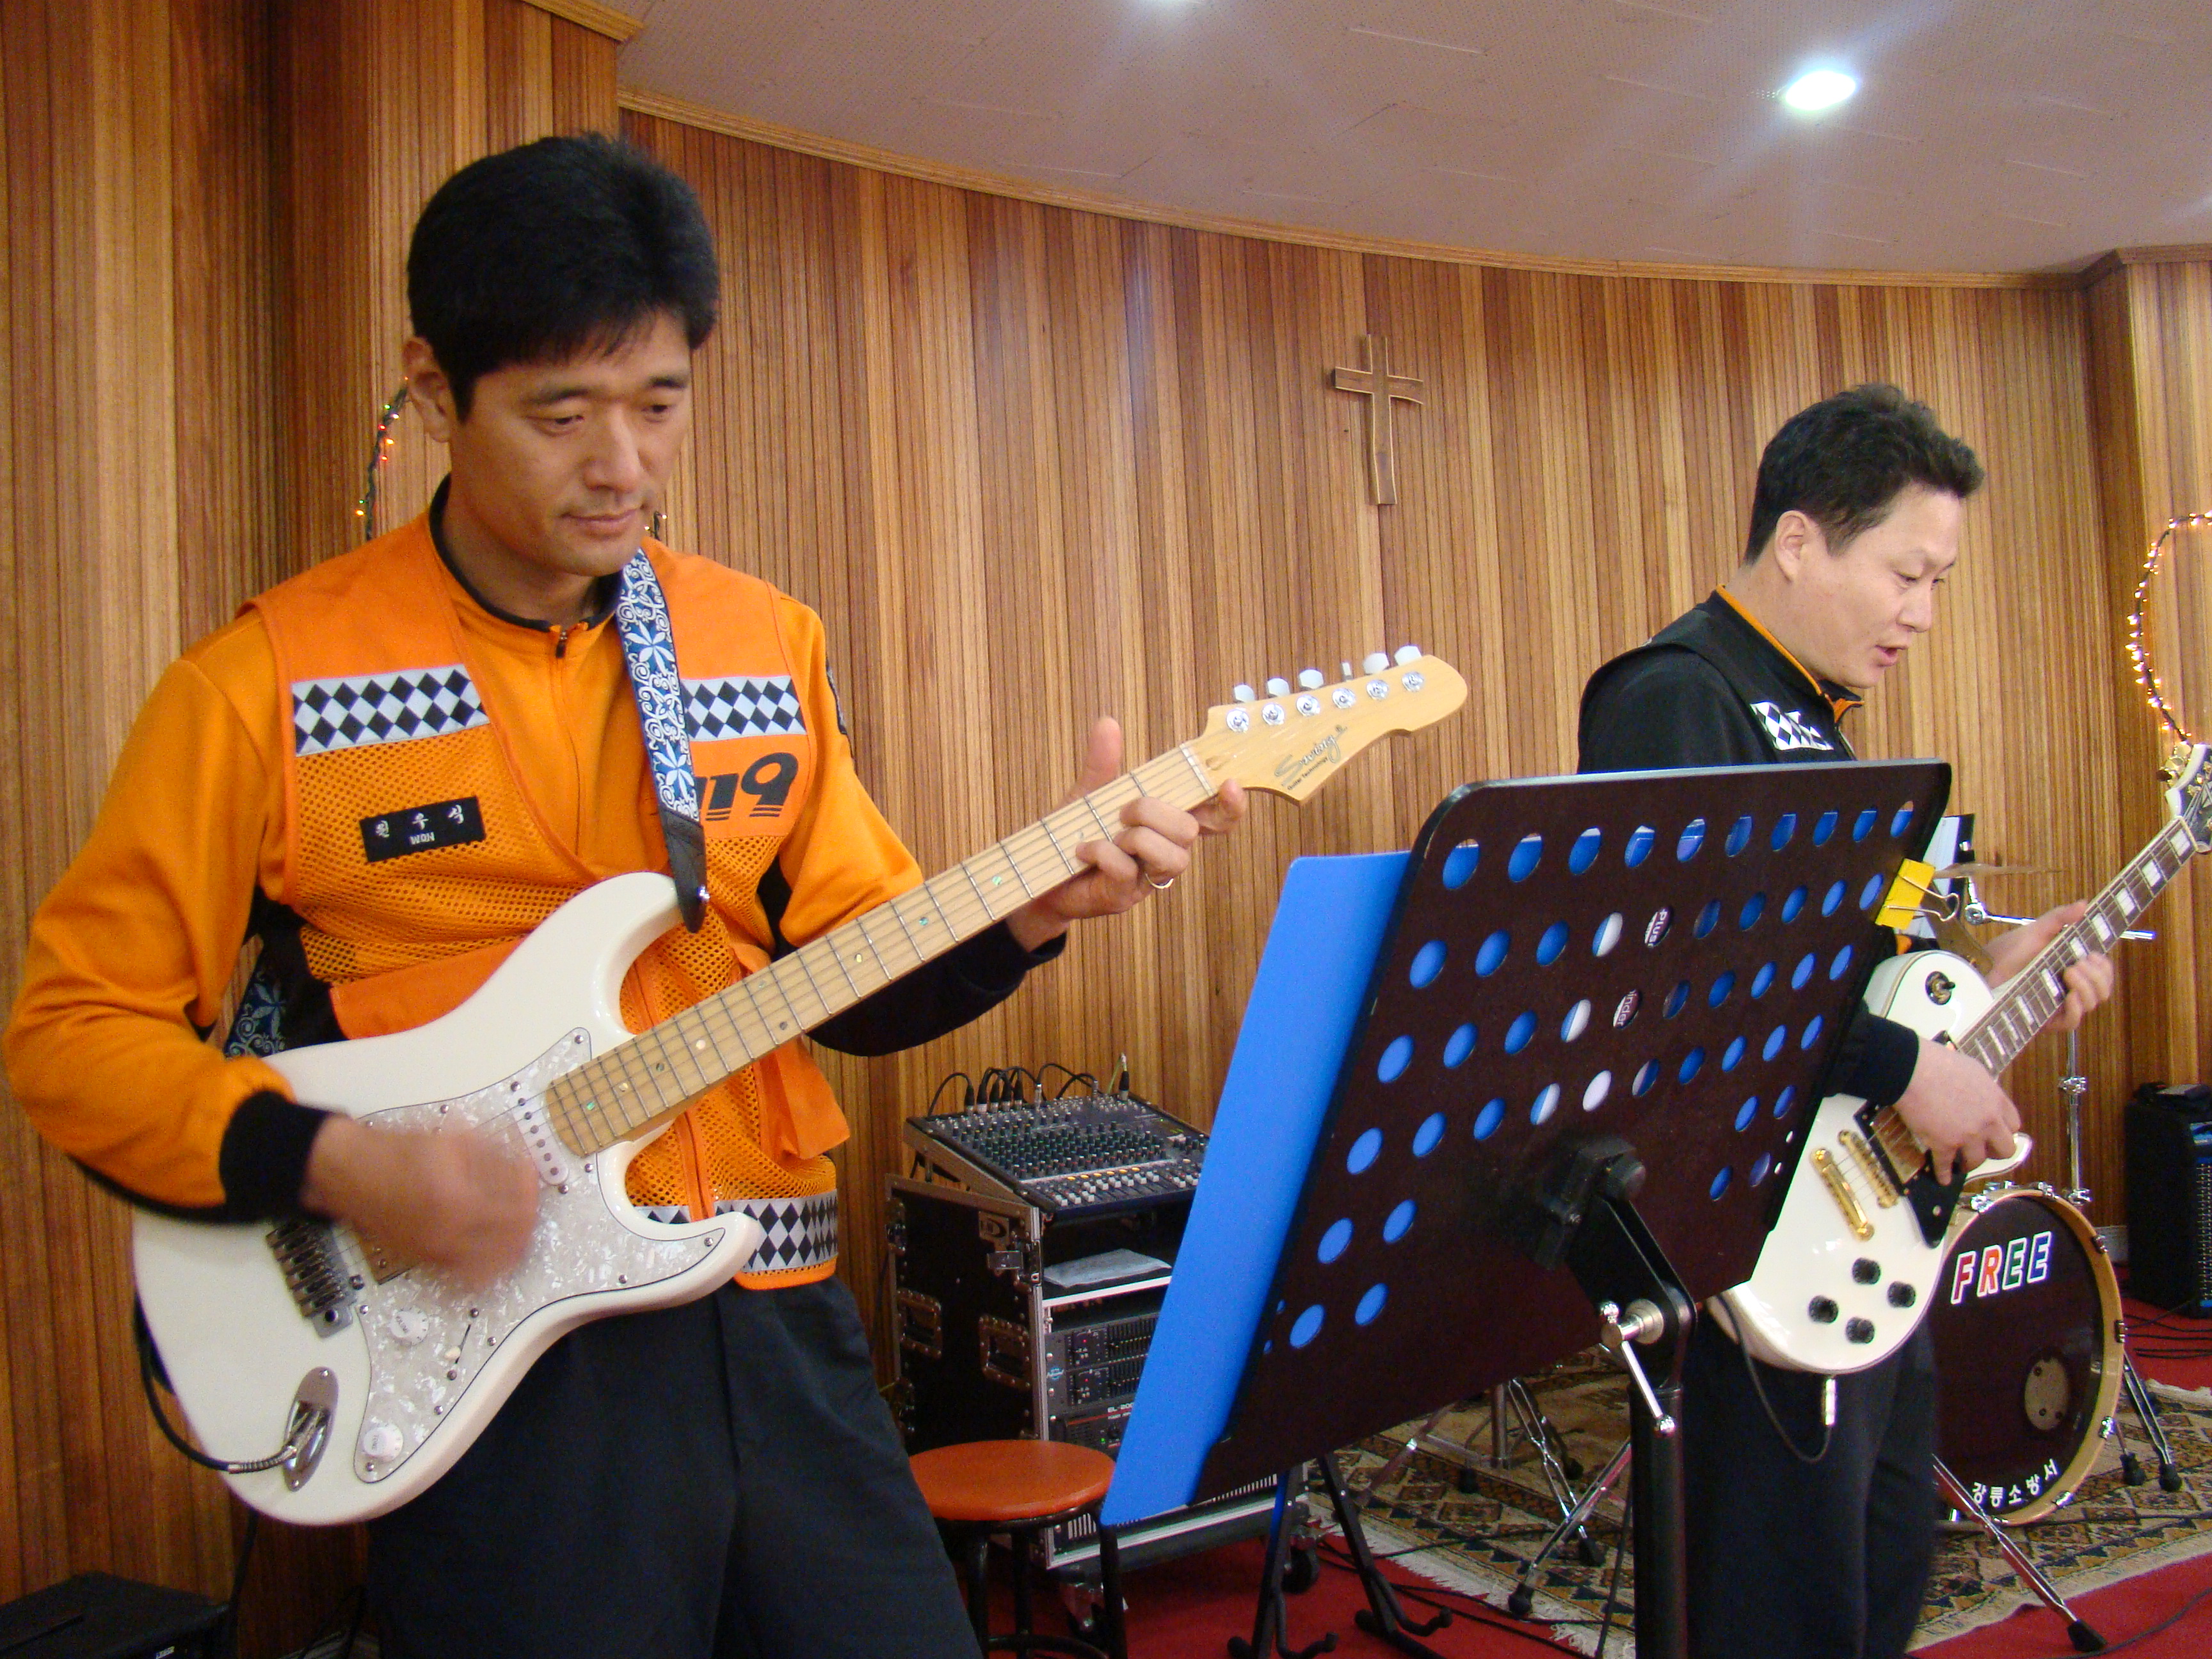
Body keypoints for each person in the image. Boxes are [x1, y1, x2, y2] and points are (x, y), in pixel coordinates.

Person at [4, 134, 1244, 1658]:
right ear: (436, 388)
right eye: (561, 413)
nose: (623, 466)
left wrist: (1040, 909)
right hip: (493, 1362)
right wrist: (340, 1165)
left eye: (660, 403)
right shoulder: (265, 682)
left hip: (776, 1309)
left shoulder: (759, 642)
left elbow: (853, 983)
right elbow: (75, 1036)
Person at [1578, 383, 2116, 1659]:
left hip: (1857, 1230)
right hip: (1754, 1254)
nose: (1922, 612)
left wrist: (1995, 976)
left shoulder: (1813, 719)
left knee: (1873, 1582)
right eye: (1906, 574)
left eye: (1938, 583)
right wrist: (1902, 1066)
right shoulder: (1677, 695)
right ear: (1801, 539)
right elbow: (1680, 983)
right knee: (1777, 1607)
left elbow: (1845, 975)